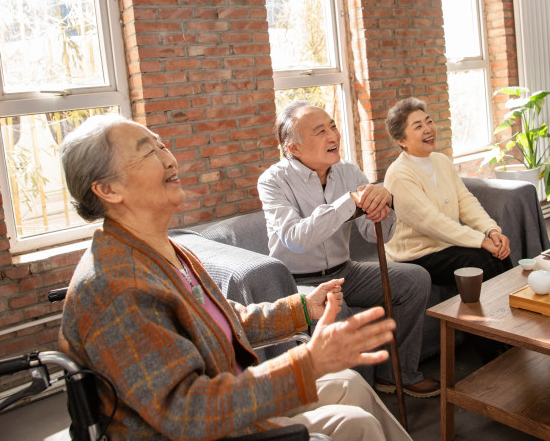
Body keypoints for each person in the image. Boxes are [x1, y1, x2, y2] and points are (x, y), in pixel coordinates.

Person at [58, 114, 412, 441]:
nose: (168, 158)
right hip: (210, 427)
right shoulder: (117, 286)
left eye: (162, 145)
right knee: (357, 424)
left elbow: (222, 319)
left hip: (232, 402)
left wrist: (303, 308)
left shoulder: (163, 250)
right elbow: (187, 412)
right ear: (107, 190)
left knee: (350, 383)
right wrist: (308, 363)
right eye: (147, 152)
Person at [257, 101, 440, 398]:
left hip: (345, 272)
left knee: (414, 279)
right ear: (293, 147)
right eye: (320, 132)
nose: (333, 136)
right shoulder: (273, 181)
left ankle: (396, 375)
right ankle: (360, 402)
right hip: (297, 282)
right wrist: (349, 203)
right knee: (339, 316)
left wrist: (383, 207)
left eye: (332, 126)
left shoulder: (349, 172)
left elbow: (373, 235)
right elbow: (294, 238)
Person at [383, 97, 512, 286]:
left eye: (429, 121)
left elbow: (465, 201)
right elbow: (433, 222)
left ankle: (519, 307)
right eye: (418, 126)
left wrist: (491, 230)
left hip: (446, 246)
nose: (428, 129)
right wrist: (480, 241)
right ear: (401, 140)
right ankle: (500, 312)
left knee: (500, 254)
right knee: (480, 261)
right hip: (415, 257)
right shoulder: (399, 175)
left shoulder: (441, 161)